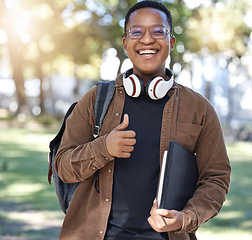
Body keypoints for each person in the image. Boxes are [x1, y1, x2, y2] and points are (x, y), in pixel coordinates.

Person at [54, 1, 231, 240]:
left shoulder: (199, 109)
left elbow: (216, 178)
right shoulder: (96, 99)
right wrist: (103, 147)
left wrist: (185, 218)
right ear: (125, 43)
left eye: (158, 31)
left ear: (171, 42)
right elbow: (63, 167)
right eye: (137, 32)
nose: (147, 39)